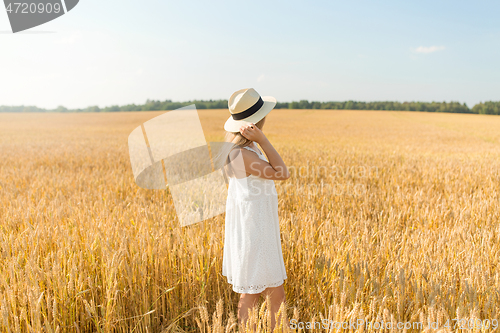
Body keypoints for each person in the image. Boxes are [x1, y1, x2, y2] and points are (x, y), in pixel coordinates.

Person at [221, 88, 290, 330]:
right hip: (256, 229)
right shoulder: (244, 154)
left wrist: (258, 142)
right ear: (256, 123)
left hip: (256, 225)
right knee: (267, 292)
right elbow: (282, 173)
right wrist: (263, 139)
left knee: (256, 290)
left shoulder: (242, 151)